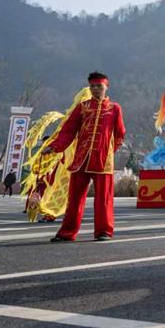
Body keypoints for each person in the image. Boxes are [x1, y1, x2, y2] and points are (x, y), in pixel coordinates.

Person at [43, 72, 126, 242]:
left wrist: (109, 152)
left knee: (104, 198)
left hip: (103, 161)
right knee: (75, 198)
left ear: (106, 87)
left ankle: (104, 231)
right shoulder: (82, 107)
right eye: (92, 86)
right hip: (81, 159)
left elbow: (120, 133)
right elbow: (68, 130)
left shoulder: (114, 108)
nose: (95, 89)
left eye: (99, 86)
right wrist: (54, 146)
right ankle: (67, 233)